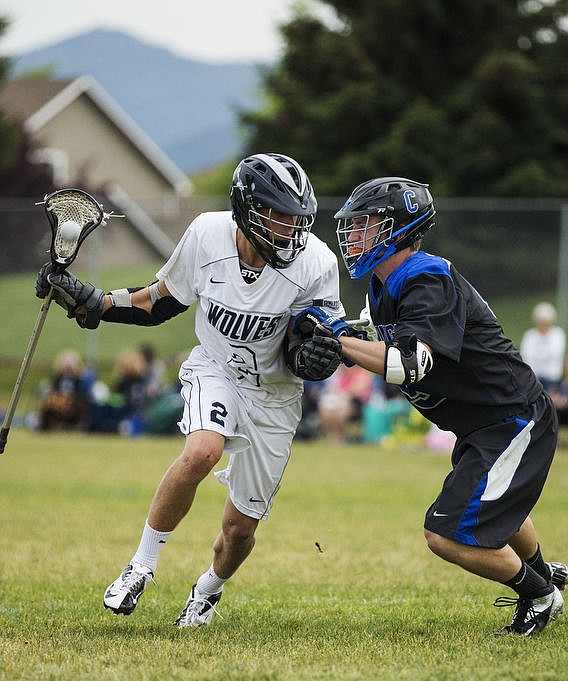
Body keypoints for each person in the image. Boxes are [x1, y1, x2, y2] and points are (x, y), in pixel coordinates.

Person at [35, 152, 347, 627]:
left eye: (297, 220)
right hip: (215, 368)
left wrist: (315, 354)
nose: (290, 231)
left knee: (239, 531)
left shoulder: (317, 263)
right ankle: (140, 566)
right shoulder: (206, 234)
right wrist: (94, 302)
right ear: (247, 209)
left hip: (274, 396)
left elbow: (313, 341)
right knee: (202, 450)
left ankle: (208, 590)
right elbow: (158, 300)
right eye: (278, 217)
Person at [292, 176, 567, 636]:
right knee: (493, 506)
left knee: (446, 533)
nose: (353, 235)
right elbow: (387, 340)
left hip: (513, 419)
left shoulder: (425, 277)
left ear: (397, 228)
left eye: (365, 225)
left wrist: (336, 339)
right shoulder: (388, 286)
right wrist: (335, 329)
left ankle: (539, 594)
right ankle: (545, 572)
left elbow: (409, 363)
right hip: (485, 423)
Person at [38, 349, 92, 431]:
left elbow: (81, 393)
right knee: (50, 402)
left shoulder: (79, 379)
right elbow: (53, 390)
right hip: (58, 402)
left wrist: (67, 399)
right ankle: (44, 426)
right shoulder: (57, 378)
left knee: (65, 404)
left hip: (74, 403)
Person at [520, 302, 566, 392]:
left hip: (551, 377)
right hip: (533, 377)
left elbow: (555, 353)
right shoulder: (530, 335)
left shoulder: (557, 334)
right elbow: (525, 355)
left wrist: (538, 355)